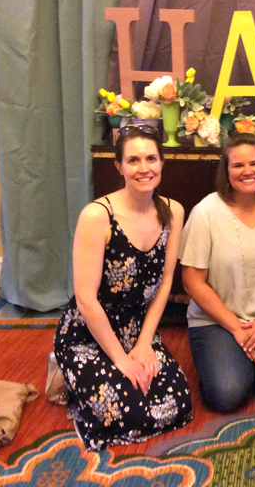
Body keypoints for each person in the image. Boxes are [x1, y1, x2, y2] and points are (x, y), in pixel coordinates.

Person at [53, 124, 193, 451]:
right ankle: (64, 370)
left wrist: (144, 345)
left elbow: (167, 283)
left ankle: (85, 380)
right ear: (119, 167)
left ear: (161, 163)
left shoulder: (173, 211)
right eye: (133, 160)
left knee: (178, 403)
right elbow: (86, 301)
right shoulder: (96, 216)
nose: (143, 168)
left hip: (136, 329)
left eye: (151, 158)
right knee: (127, 413)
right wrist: (121, 360)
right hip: (89, 331)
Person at [179, 132, 255, 412]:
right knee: (227, 395)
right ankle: (235, 363)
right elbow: (192, 281)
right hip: (216, 320)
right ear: (226, 171)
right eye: (237, 165)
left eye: (254, 163)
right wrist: (236, 328)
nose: (247, 171)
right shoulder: (205, 212)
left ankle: (251, 362)